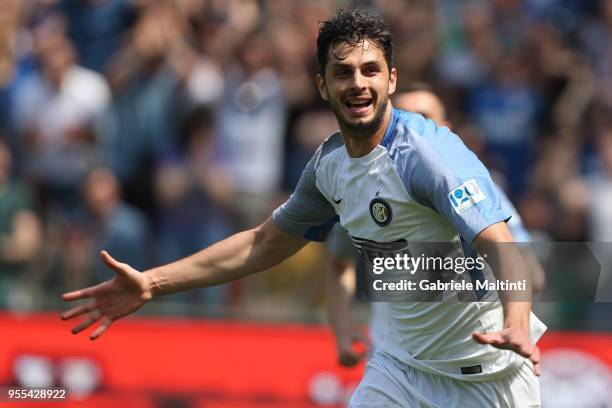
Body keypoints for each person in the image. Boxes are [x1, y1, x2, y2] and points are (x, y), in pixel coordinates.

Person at [61, 9, 545, 407]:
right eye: (343, 72)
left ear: (391, 79)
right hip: (402, 368)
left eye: (371, 70)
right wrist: (151, 282)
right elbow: (262, 243)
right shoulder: (329, 167)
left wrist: (518, 327)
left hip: (487, 375)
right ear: (322, 86)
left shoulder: (429, 156)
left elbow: (503, 247)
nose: (358, 84)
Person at [325, 83, 538, 368]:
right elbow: (339, 263)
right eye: (403, 117)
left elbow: (532, 274)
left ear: (445, 129)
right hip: (392, 361)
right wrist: (342, 330)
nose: (411, 129)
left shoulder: (478, 192)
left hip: (469, 362)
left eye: (424, 118)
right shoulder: (360, 190)